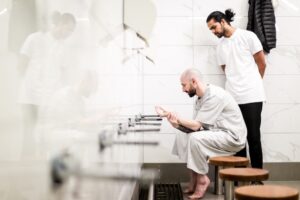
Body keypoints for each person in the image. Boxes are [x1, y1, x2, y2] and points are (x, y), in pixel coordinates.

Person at [155, 68, 246, 199]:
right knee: (182, 135)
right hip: (217, 133)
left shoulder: (214, 95)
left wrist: (176, 117)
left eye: (184, 85)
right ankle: (194, 178)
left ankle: (202, 179)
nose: (183, 89)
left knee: (195, 139)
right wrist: (176, 123)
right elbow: (195, 128)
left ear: (194, 81)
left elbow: (197, 125)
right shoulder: (200, 98)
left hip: (232, 137)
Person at [206, 9, 266, 169]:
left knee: (253, 137)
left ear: (223, 21)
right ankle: (240, 176)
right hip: (232, 98)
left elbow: (262, 63)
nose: (213, 32)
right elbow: (226, 71)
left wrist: (253, 83)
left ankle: (256, 177)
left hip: (252, 95)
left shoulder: (248, 36)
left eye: (214, 27)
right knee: (238, 138)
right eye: (210, 29)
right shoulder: (220, 47)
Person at [17, 12, 76, 158]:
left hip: (49, 100)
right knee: (29, 137)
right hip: (30, 98)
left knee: (46, 138)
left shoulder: (64, 48)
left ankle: (42, 172)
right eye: (68, 29)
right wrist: (32, 84)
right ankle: (26, 169)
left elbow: (63, 74)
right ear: (60, 24)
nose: (69, 34)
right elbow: (21, 65)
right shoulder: (35, 38)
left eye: (72, 31)